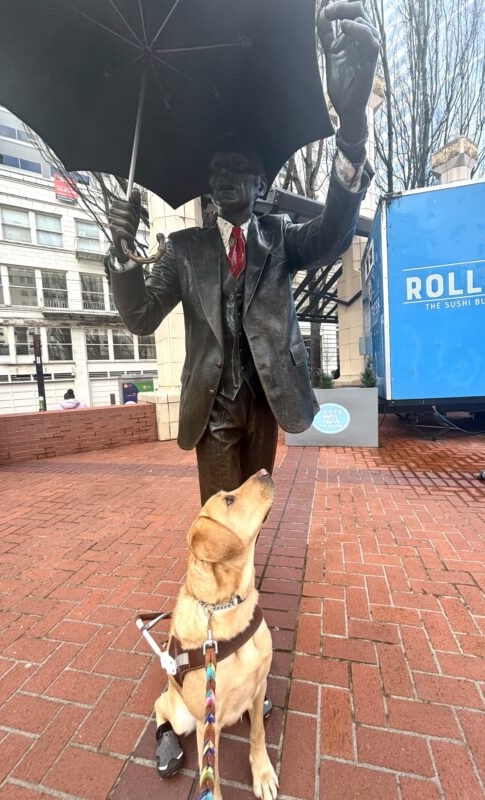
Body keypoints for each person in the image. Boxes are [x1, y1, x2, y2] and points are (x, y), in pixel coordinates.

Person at [107, 2, 380, 505]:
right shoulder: (184, 249)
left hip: (265, 401)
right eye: (216, 169)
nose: (222, 178)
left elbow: (335, 233)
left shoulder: (280, 238)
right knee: (219, 511)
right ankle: (222, 583)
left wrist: (353, 128)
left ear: (261, 183)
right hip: (212, 406)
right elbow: (141, 318)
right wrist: (122, 256)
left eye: (235, 167)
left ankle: (240, 575)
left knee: (253, 506)